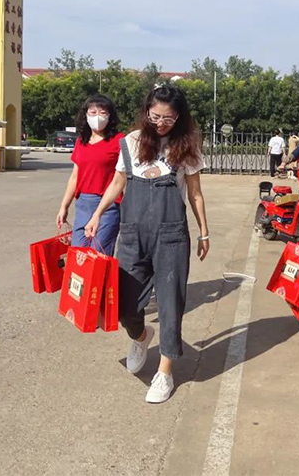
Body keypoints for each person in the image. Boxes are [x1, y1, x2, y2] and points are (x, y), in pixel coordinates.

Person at [85, 85, 209, 405]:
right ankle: (141, 336)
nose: (161, 123)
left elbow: (195, 193)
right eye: (155, 117)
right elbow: (118, 182)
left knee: (170, 304)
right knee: (125, 305)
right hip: (132, 234)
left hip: (171, 236)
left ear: (179, 117)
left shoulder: (186, 145)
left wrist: (204, 232)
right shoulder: (131, 141)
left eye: (168, 118)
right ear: (146, 112)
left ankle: (165, 372)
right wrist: (97, 214)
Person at [56, 94, 125, 255]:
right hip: (83, 203)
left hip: (108, 205)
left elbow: (121, 178)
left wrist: (99, 213)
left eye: (102, 112)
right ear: (86, 115)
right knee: (78, 252)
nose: (97, 117)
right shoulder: (81, 142)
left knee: (98, 254)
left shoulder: (119, 140)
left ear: (110, 116)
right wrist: (64, 206)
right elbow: (75, 177)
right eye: (93, 112)